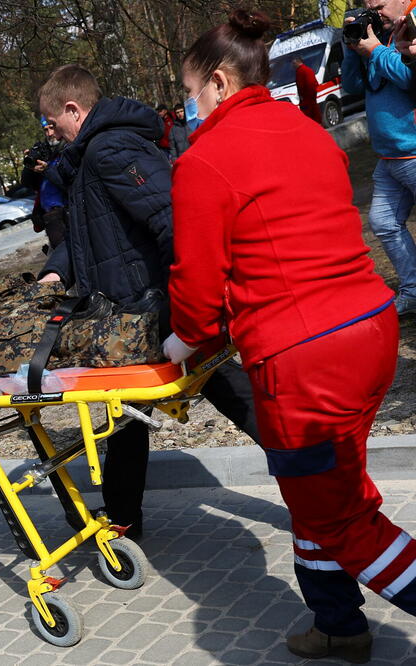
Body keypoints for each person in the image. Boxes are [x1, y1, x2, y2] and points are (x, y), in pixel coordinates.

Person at [169, 10, 414, 662]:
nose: (188, 107)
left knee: (339, 516)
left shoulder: (205, 161)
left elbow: (195, 291)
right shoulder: (310, 134)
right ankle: (336, 622)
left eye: (191, 93)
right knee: (322, 491)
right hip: (370, 329)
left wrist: (184, 340)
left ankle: (346, 613)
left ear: (219, 83)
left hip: (305, 360)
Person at [35, 64, 261, 540]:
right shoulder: (93, 154)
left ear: (74, 109)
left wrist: (178, 305)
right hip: (133, 310)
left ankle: (311, 469)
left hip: (152, 309)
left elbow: (172, 220)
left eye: (51, 123)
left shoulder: (108, 148)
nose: (50, 133)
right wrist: (57, 269)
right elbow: (88, 233)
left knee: (225, 392)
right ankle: (122, 516)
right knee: (128, 413)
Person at [342, 0, 416, 316]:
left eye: (381, 4)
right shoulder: (379, 34)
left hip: (413, 148)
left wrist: (374, 50)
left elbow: (411, 79)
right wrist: (351, 45)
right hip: (388, 156)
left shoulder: (411, 26)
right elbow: (353, 86)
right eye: (369, 4)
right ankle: (413, 291)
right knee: (383, 222)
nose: (375, 9)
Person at [21, 118, 67, 251]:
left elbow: (67, 182)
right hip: (50, 216)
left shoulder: (69, 148)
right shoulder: (43, 150)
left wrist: (47, 169)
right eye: (46, 130)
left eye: (51, 128)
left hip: (67, 211)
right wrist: (29, 166)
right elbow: (27, 183)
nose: (49, 133)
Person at [292, 56, 323, 124]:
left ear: (298, 62)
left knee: (311, 115)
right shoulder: (305, 70)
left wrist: (304, 96)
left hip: (307, 98)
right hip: (308, 97)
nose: (293, 66)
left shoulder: (302, 71)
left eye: (294, 64)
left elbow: (307, 84)